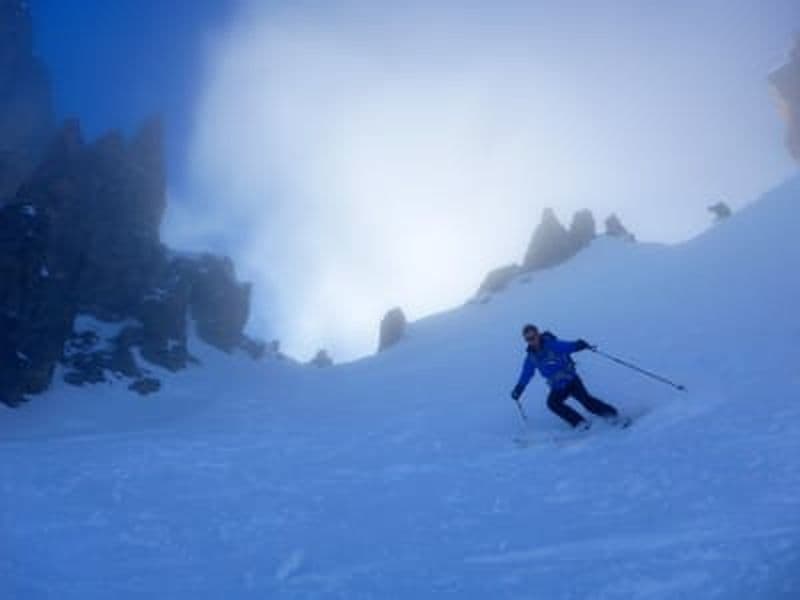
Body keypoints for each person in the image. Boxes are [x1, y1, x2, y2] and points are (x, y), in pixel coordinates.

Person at [511, 324, 622, 430]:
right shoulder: (531, 358)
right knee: (553, 404)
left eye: (533, 337)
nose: (532, 341)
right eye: (528, 339)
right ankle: (580, 423)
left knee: (587, 402)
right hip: (557, 387)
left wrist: (578, 345)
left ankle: (612, 415)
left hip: (571, 381)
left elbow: (567, 346)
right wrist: (519, 388)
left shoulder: (551, 345)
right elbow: (526, 374)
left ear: (538, 334)